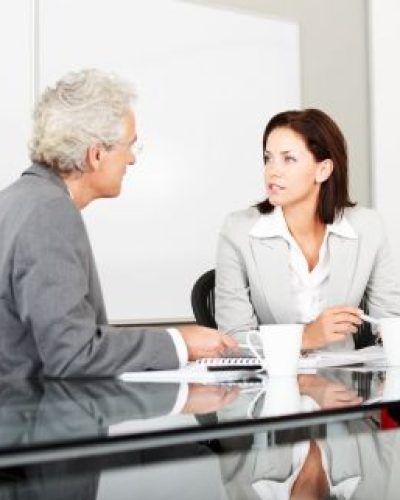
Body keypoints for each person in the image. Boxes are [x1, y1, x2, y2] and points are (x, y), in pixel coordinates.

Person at [0, 68, 237, 378]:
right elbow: (73, 354)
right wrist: (180, 342)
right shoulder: (50, 213)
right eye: (130, 145)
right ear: (96, 155)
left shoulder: (16, 200)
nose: (132, 160)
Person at [215, 108, 400, 351]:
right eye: (268, 158)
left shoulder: (368, 227)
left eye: (288, 158)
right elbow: (233, 340)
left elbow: (389, 323)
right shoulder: (238, 230)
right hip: (273, 382)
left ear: (323, 170)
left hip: (343, 382)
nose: (272, 170)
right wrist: (306, 338)